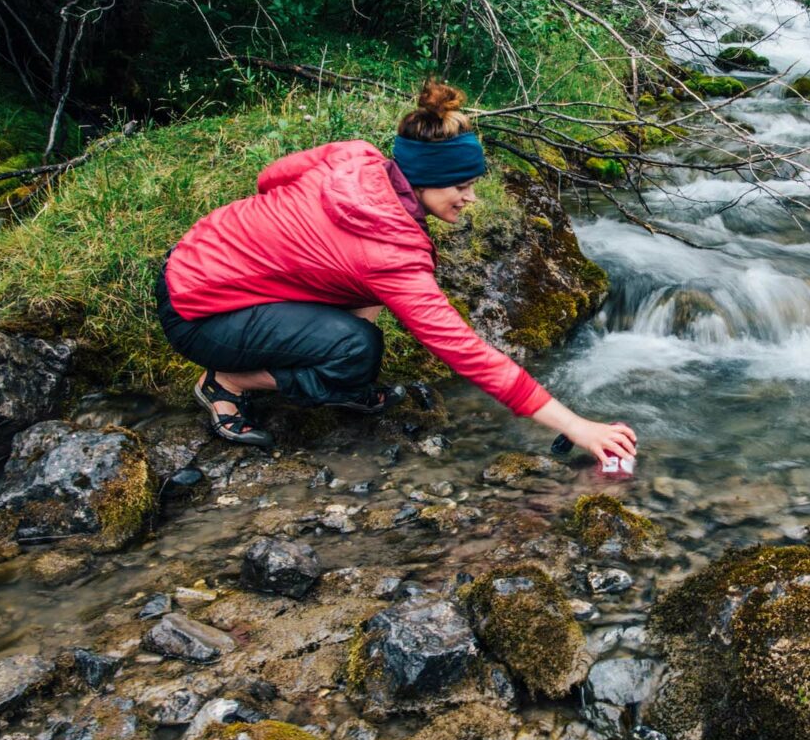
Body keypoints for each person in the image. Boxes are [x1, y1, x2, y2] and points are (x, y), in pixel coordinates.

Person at [154, 78, 637, 465]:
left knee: (354, 304)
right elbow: (465, 352)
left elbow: (269, 179)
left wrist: (287, 239)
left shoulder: (353, 156)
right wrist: (576, 425)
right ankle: (229, 383)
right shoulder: (391, 256)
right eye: (462, 187)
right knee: (354, 354)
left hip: (191, 258)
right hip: (199, 315)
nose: (471, 199)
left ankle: (287, 351)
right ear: (424, 181)